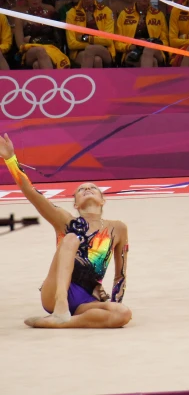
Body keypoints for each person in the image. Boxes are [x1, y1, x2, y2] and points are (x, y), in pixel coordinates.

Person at [0, 134, 132, 328]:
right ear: (76, 204)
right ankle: (60, 308)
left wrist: (112, 304)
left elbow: (120, 274)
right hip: (55, 292)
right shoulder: (65, 220)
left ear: (103, 200)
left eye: (93, 188)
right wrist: (10, 159)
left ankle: (62, 322)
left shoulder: (118, 228)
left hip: (86, 297)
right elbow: (30, 191)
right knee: (71, 238)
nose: (87, 189)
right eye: (81, 190)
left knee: (123, 314)